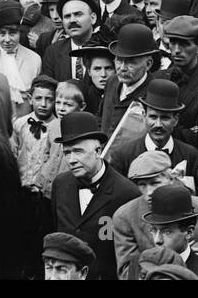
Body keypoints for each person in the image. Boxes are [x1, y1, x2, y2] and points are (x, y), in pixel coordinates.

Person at [49, 111, 140, 280]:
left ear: (98, 151)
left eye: (78, 151)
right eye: (67, 153)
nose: (71, 160)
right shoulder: (60, 184)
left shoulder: (127, 193)